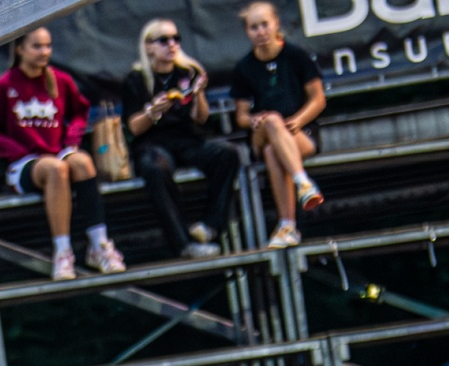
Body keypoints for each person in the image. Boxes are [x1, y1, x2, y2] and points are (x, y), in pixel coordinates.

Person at [0, 28, 125, 281]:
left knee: (83, 162)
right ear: (20, 49)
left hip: (57, 152)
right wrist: (15, 149)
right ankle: (62, 253)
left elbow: (80, 112)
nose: (44, 52)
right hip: (24, 164)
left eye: (48, 46)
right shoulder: (4, 85)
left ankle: (99, 245)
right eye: (37, 46)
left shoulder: (60, 80)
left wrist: (72, 139)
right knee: (55, 169)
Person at [125, 20, 238, 259]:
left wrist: (199, 95)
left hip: (187, 139)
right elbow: (134, 127)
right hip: (154, 142)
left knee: (227, 154)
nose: (172, 44)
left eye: (176, 38)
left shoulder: (188, 72)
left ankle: (210, 225)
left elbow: (201, 118)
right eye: (164, 40)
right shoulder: (137, 79)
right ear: (148, 46)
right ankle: (182, 242)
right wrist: (152, 112)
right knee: (155, 168)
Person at [231, 1, 324, 250]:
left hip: (299, 131)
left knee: (274, 152)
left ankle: (287, 226)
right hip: (262, 132)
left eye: (265, 25)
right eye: (254, 27)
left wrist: (299, 119)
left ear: (276, 24)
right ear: (247, 31)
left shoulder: (296, 56)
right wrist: (253, 120)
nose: (260, 32)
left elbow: (318, 99)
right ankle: (303, 182)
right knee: (272, 120)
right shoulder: (244, 67)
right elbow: (241, 116)